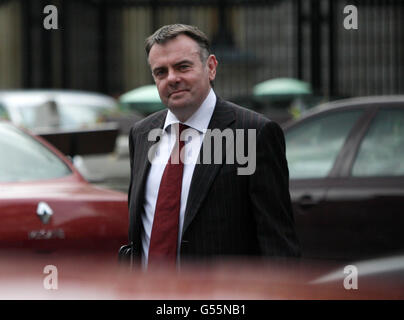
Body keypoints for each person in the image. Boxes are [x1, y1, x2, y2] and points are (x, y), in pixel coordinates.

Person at [119, 24, 300, 268]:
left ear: (211, 67)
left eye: (183, 66)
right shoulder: (142, 134)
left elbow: (277, 243)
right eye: (161, 72)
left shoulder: (253, 133)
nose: (172, 78)